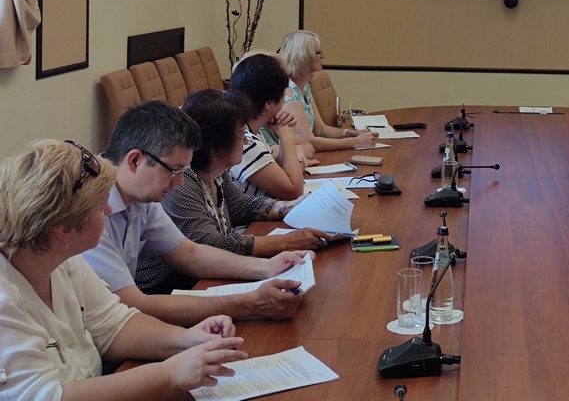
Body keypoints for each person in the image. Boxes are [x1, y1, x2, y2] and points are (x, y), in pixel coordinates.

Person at [0, 139, 247, 400]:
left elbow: (114, 325)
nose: (109, 210)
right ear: (64, 230)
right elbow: (47, 396)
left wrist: (187, 339)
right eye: (100, 207)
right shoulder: (6, 300)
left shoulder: (62, 259)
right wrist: (169, 374)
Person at [81, 100, 310, 327]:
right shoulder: (89, 210)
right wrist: (250, 303)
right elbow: (131, 304)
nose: (180, 182)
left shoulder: (141, 196)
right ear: (134, 161)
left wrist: (266, 268)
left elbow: (189, 254)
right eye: (174, 171)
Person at [138, 90, 330, 294]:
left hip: (203, 276)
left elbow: (240, 206)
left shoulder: (215, 171)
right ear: (216, 146)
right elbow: (209, 242)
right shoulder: (181, 181)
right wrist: (286, 242)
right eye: (241, 136)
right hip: (169, 287)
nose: (246, 142)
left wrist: (286, 208)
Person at [280, 30, 378, 157]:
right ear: (304, 56)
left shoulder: (305, 86)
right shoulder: (289, 93)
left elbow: (321, 129)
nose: (323, 55)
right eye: (319, 52)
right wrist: (356, 142)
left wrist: (350, 133)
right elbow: (311, 142)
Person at [228, 52, 307, 199]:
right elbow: (294, 192)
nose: (284, 99)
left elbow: (282, 173)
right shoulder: (245, 142)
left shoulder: (251, 131)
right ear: (268, 104)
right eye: (283, 95)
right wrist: (287, 136)